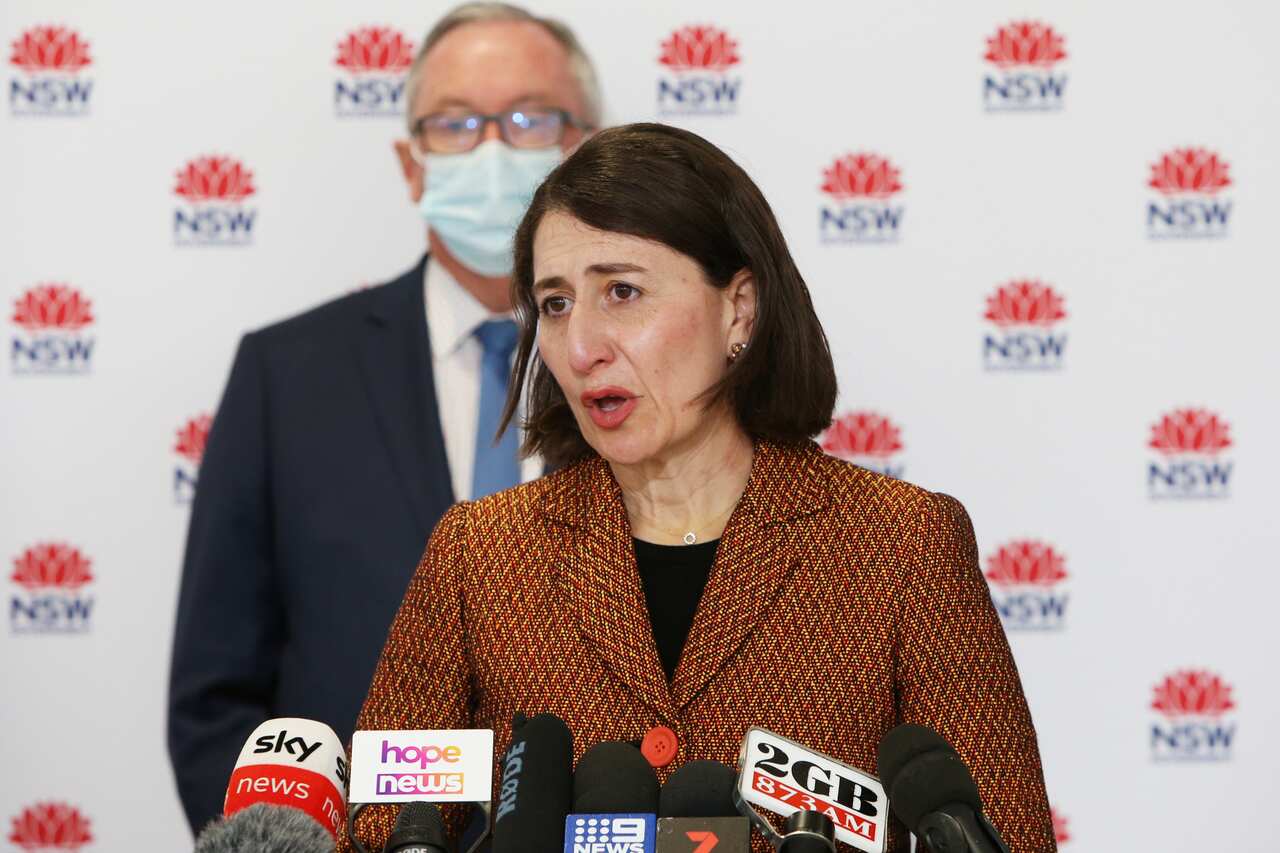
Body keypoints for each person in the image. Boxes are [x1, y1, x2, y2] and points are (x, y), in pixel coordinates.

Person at [343, 123, 1057, 853]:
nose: (582, 346)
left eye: (621, 291)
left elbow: (1006, 834)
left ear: (738, 310)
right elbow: (375, 830)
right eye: (555, 303)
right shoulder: (481, 554)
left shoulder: (901, 543)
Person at [166, 3, 600, 833]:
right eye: (455, 124)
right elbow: (215, 701)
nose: (493, 150)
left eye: (528, 118)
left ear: (584, 147)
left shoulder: (649, 375)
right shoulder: (286, 376)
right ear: (411, 164)